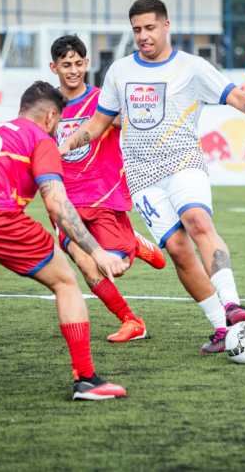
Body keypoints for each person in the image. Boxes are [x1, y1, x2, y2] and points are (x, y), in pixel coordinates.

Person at [59, 0, 245, 354]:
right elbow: (98, 123)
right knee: (177, 251)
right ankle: (222, 328)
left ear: (166, 25)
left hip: (182, 162)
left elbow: (235, 96)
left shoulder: (192, 67)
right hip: (140, 177)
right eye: (137, 30)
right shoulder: (119, 71)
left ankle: (233, 303)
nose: (143, 36)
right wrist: (63, 147)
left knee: (197, 220)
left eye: (150, 28)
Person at [0, 81, 129, 401]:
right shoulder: (41, 138)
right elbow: (57, 204)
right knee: (65, 282)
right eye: (59, 123)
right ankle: (86, 379)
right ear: (50, 117)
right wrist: (98, 251)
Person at [49, 34, 166, 342]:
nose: (73, 70)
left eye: (78, 64)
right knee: (87, 265)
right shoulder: (49, 108)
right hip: (65, 202)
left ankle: (134, 244)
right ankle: (130, 320)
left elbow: (136, 125)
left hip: (102, 193)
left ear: (87, 63)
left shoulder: (104, 100)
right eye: (65, 65)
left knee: (118, 267)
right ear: (54, 67)